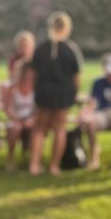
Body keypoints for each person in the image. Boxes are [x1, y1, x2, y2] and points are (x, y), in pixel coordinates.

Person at [28, 11, 84, 176]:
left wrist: (36, 92)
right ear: (67, 28)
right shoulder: (71, 49)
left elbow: (33, 75)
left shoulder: (40, 49)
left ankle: (34, 165)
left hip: (44, 91)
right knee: (60, 128)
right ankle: (54, 166)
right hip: (63, 92)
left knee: (39, 128)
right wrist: (74, 94)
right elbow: (76, 77)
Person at [2, 62, 36, 171]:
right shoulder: (12, 88)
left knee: (35, 129)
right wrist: (18, 120)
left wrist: (31, 119)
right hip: (15, 118)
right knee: (14, 128)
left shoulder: (36, 88)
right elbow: (7, 108)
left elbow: (39, 109)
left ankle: (33, 160)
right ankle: (10, 159)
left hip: (31, 119)